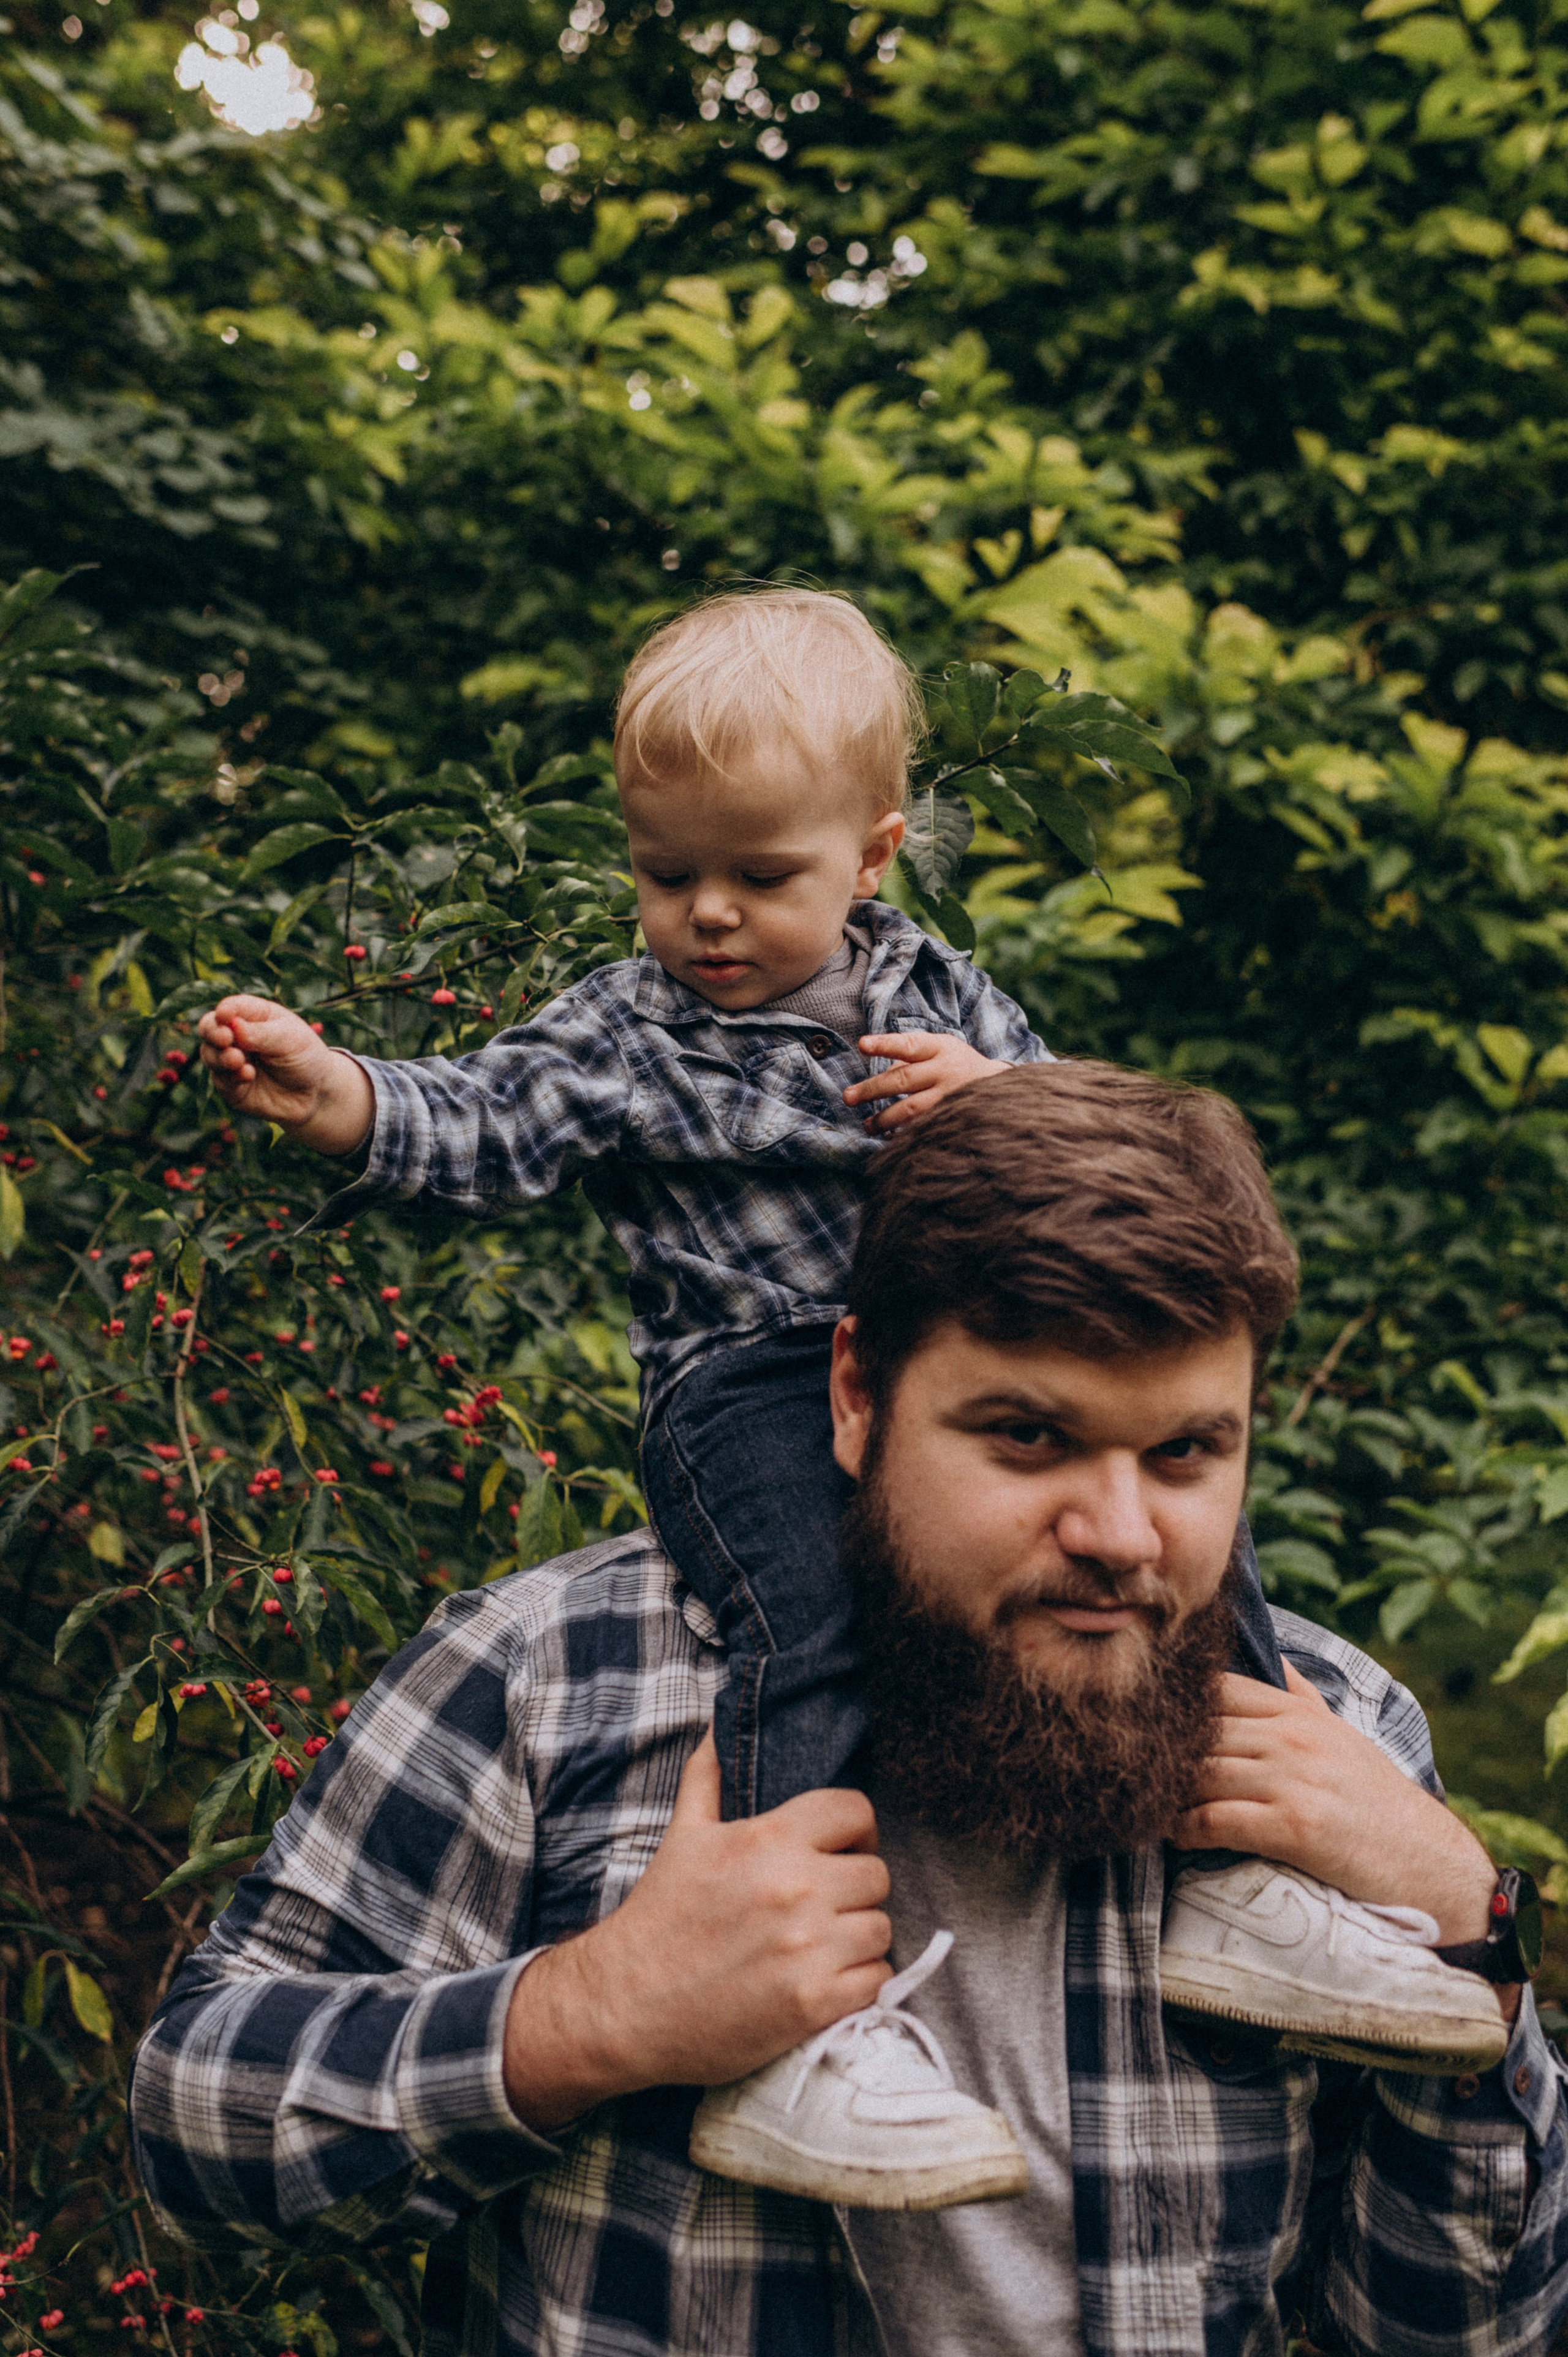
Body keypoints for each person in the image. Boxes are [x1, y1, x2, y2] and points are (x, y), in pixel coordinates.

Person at [194, 592, 1498, 2200]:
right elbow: (490, 1118)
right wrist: (346, 1099)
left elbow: (1090, 1163)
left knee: (1210, 1577)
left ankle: (1231, 1878)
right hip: (738, 1383)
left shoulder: (935, 997)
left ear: (873, 857)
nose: (710, 919)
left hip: (944, 1324)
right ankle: (791, 2018)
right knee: (804, 1618)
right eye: (668, 876)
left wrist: (1002, 1097)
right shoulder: (630, 1029)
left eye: (762, 876)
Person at [130, 1063, 1564, 2357]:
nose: (1122, 1532)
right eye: (1026, 1434)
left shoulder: (1337, 1737)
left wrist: (1468, 1931)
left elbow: (1460, 2332)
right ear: (854, 1394)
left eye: (1187, 1452)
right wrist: (589, 2019)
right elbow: (194, 2131)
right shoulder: (554, 1678)